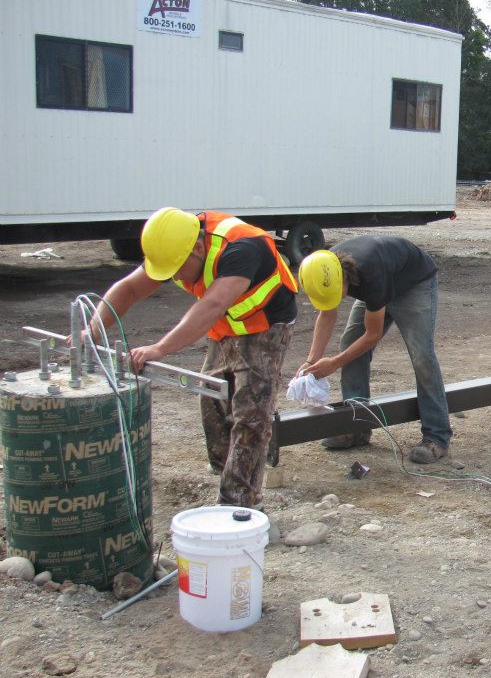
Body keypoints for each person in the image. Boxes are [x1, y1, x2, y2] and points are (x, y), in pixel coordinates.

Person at [88, 207, 298, 509]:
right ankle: (225, 470)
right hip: (226, 324)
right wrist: (92, 331)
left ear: (198, 249)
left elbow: (212, 304)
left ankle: (240, 504)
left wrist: (160, 348)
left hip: (265, 325)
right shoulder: (175, 245)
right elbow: (130, 288)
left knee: (251, 413)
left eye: (176, 270)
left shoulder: (242, 248)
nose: (172, 277)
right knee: (211, 400)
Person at [297, 236, 452, 464]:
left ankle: (437, 437)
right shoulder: (326, 267)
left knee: (422, 356)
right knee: (350, 341)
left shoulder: (370, 274)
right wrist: (312, 360)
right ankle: (357, 427)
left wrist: (334, 363)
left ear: (343, 279)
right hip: (381, 284)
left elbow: (372, 335)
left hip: (413, 283)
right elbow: (327, 313)